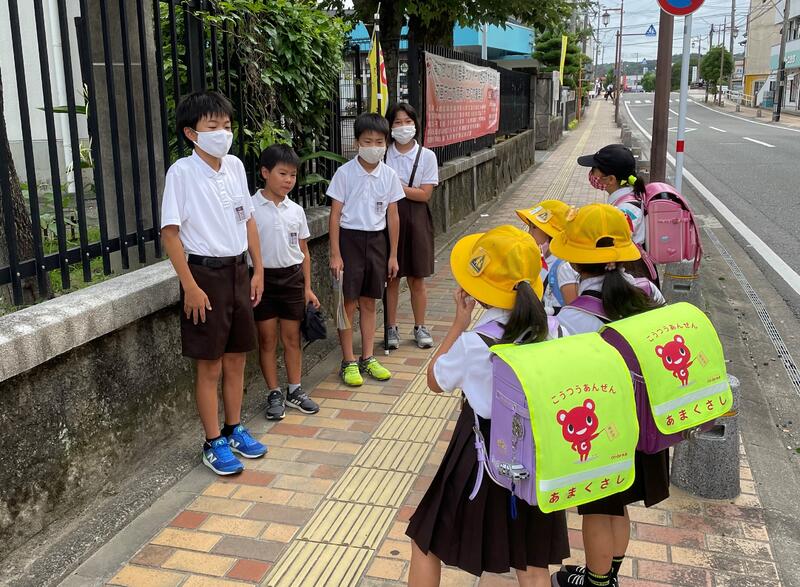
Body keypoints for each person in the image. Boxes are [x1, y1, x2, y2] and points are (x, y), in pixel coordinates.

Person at [406, 225, 570, 587]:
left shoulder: (474, 343)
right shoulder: (555, 331)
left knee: (425, 541)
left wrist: (458, 324)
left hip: (480, 458)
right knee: (533, 563)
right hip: (538, 456)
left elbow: (435, 379)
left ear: (479, 291)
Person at [548, 204, 666, 587]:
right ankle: (608, 575)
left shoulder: (571, 318)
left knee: (598, 509)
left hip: (597, 429)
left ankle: (597, 583)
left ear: (575, 262)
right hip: (647, 421)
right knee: (620, 504)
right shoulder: (648, 292)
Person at [161, 90, 267, 476]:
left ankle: (234, 428)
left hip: (239, 271)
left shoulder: (235, 166)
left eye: (226, 124)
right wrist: (190, 286)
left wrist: (258, 269)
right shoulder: (182, 173)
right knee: (210, 364)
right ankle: (212, 441)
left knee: (237, 357)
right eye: (213, 125)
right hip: (204, 276)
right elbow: (170, 233)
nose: (223, 132)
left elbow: (248, 219)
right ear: (192, 133)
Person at [328, 112, 404, 387]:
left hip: (376, 242)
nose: (374, 147)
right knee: (348, 303)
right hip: (349, 240)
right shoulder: (344, 173)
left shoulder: (389, 175)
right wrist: (335, 253)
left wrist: (393, 254)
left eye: (379, 142)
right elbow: (335, 215)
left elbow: (393, 216)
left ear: (386, 143)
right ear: (357, 143)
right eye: (368, 141)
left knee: (370, 301)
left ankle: (368, 357)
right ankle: (348, 360)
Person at [250, 144, 321, 421]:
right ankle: (274, 392)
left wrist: (307, 288)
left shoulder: (296, 210)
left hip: (292, 279)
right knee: (267, 339)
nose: (289, 180)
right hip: (262, 281)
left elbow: (304, 252)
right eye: (282, 173)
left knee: (292, 337)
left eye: (293, 175)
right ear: (265, 172)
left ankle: (295, 390)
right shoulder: (251, 208)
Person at [384, 103, 439, 350]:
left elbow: (424, 194)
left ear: (415, 124)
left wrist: (396, 187)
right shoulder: (384, 154)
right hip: (388, 218)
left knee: (417, 278)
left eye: (407, 121)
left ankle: (420, 326)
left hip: (417, 220)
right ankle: (390, 327)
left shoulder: (426, 156)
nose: (403, 127)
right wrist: (406, 189)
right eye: (397, 122)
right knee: (392, 277)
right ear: (390, 126)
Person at [577, 144, 658, 283]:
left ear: (611, 179)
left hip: (631, 277)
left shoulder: (625, 209)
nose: (591, 174)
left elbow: (611, 244)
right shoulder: (627, 197)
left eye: (594, 169)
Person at [516, 199, 579, 315]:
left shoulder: (564, 267)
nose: (529, 233)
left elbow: (574, 312)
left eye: (534, 227)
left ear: (549, 232)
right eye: (530, 227)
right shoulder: (544, 260)